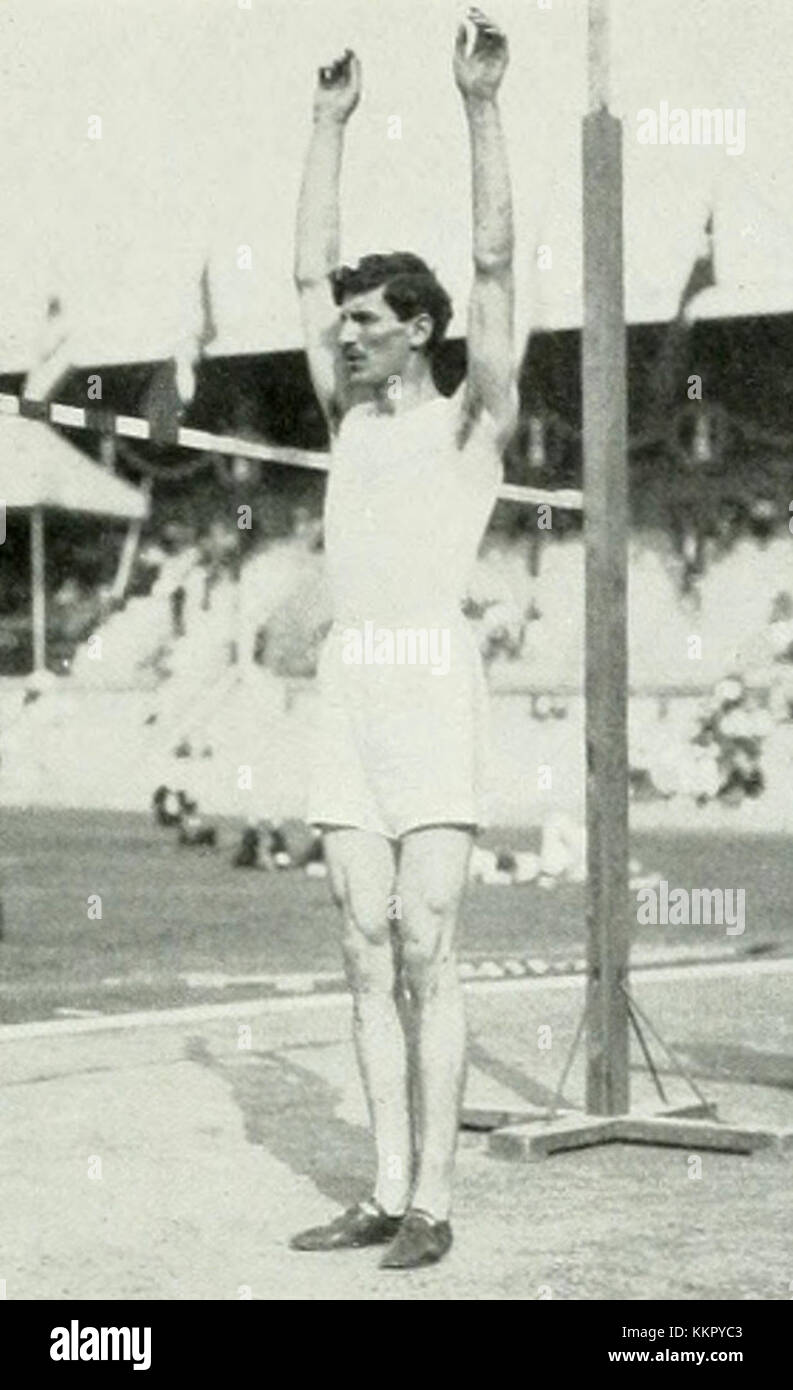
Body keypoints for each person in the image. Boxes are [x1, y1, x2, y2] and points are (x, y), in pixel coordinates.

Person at [290, 8, 517, 1269]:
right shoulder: (348, 419)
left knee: (429, 936)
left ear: (417, 328)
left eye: (369, 319)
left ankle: (434, 1199)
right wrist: (327, 126)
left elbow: (493, 264)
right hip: (349, 688)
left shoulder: (469, 419)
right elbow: (302, 268)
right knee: (361, 939)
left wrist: (477, 108)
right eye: (347, 321)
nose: (348, 331)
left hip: (431, 681)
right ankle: (381, 1188)